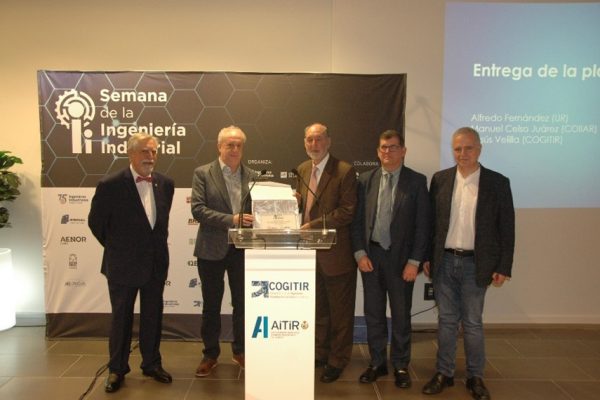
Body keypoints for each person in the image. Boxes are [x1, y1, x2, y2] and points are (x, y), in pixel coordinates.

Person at [422, 127, 515, 400]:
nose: (463, 153)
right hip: (444, 261)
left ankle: (475, 377)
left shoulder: (497, 183)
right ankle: (444, 373)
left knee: (472, 323)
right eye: (457, 148)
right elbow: (431, 224)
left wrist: (503, 266)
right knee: (446, 320)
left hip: (477, 263)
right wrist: (427, 256)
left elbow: (507, 228)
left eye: (469, 148)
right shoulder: (440, 179)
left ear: (479, 149)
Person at [88, 133, 175, 393]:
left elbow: (158, 225)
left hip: (155, 263)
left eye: (154, 151)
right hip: (122, 264)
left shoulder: (165, 184)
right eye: (145, 151)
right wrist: (119, 248)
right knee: (121, 318)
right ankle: (117, 368)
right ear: (131, 153)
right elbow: (96, 223)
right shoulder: (111, 184)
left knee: (153, 315)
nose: (150, 156)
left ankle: (151, 363)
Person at [351, 129, 430, 388]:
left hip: (402, 261)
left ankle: (400, 365)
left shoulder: (416, 181)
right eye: (384, 147)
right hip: (371, 257)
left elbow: (423, 226)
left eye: (393, 147)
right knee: (373, 313)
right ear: (378, 151)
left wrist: (415, 262)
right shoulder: (365, 180)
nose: (388, 151)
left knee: (401, 315)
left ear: (403, 151)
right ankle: (377, 362)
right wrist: (360, 253)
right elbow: (357, 222)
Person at [295, 122, 358, 383]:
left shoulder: (344, 171)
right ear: (305, 143)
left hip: (336, 255)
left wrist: (313, 225)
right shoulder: (302, 169)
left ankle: (337, 359)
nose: (314, 144)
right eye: (310, 139)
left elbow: (347, 211)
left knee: (340, 313)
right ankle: (320, 353)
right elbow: (305, 207)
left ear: (328, 141)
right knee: (318, 308)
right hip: (309, 254)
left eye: (319, 139)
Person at [191, 125, 256, 377]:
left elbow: (260, 210)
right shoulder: (203, 173)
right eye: (230, 144)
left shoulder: (253, 176)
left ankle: (241, 351)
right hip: (211, 249)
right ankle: (210, 354)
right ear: (219, 146)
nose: (235, 149)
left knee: (242, 303)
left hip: (242, 249)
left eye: (239, 145)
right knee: (211, 305)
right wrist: (232, 219)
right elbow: (198, 209)